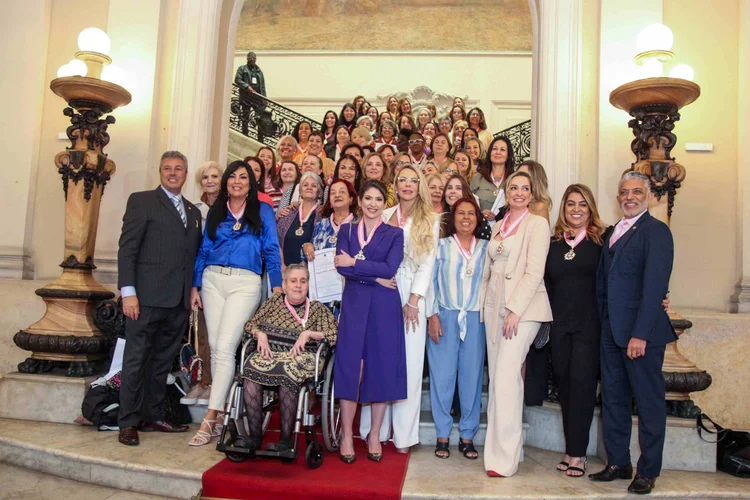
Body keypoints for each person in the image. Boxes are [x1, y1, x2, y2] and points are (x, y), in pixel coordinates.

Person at [589, 172, 677, 495]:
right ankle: (618, 462)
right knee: (613, 399)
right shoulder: (613, 232)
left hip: (642, 336)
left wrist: (640, 333)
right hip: (611, 334)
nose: (629, 196)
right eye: (624, 192)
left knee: (649, 403)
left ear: (649, 196)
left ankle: (648, 470)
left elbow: (654, 286)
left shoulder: (657, 232)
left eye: (636, 191)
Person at [188, 160, 282, 446]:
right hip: (213, 280)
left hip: (245, 282)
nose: (237, 181)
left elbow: (270, 248)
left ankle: (211, 416)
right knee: (216, 348)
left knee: (226, 348)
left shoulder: (262, 210)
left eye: (243, 177)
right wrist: (196, 284)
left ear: (251, 183)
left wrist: (277, 285)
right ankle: (218, 417)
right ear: (226, 182)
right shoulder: (217, 210)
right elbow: (204, 248)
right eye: (233, 177)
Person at [117, 151, 203, 446]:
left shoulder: (193, 212)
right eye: (167, 168)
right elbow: (127, 249)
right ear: (160, 171)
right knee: (136, 360)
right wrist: (128, 292)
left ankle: (153, 416)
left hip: (177, 301)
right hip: (145, 299)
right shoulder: (141, 201)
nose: (173, 173)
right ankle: (128, 421)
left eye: (178, 168)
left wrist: (193, 288)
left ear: (186, 173)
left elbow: (191, 257)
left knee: (162, 362)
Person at [360, 166, 438, 453]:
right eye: (402, 179)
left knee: (410, 364)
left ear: (420, 185)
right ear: (395, 184)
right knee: (380, 359)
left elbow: (427, 263)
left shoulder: (430, 218)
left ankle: (404, 436)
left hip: (411, 292)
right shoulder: (382, 213)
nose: (407, 184)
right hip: (381, 288)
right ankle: (373, 432)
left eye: (413, 180)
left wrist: (414, 300)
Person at [481, 171, 552, 477]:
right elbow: (489, 269)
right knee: (499, 380)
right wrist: (485, 307)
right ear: (506, 192)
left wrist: (514, 310)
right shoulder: (499, 224)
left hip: (522, 310)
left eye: (525, 188)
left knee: (506, 378)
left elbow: (534, 272)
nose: (519, 192)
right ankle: (513, 448)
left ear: (532, 192)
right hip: (493, 307)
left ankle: (502, 460)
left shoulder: (537, 224)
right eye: (514, 187)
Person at [334, 180, 407, 464]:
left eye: (378, 199)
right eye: (368, 198)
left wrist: (356, 264)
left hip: (383, 308)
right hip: (354, 305)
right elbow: (340, 266)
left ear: (383, 203)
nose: (373, 204)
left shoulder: (395, 233)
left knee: (380, 367)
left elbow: (391, 268)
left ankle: (375, 434)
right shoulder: (347, 230)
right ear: (360, 202)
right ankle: (346, 436)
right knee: (352, 367)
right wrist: (373, 276)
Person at [544, 184, 607, 477]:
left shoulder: (601, 242)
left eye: (582, 204)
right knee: (565, 386)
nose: (576, 209)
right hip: (559, 327)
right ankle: (570, 449)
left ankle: (579, 454)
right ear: (563, 208)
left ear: (590, 208)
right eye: (571, 204)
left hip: (588, 327)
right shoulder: (554, 243)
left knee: (582, 386)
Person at [242, 264, 337, 452]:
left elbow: (335, 334)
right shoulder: (273, 302)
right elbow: (250, 324)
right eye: (293, 281)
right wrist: (259, 333)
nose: (298, 285)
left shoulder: (318, 309)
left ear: (308, 285)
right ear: (284, 285)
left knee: (288, 371)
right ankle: (254, 438)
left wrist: (309, 333)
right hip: (270, 354)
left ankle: (285, 441)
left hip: (302, 357)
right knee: (250, 371)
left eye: (303, 281)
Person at [427, 197, 488, 460]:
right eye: (461, 213)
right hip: (445, 316)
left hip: (476, 319)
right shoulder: (440, 246)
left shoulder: (488, 248)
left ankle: (467, 435)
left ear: (478, 219)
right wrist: (432, 315)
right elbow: (429, 283)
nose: (466, 217)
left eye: (471, 213)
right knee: (442, 377)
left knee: (471, 378)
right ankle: (442, 434)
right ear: (452, 218)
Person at [180, 160, 224, 407]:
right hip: (200, 275)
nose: (210, 181)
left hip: (223, 275)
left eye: (214, 177)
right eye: (205, 177)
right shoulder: (193, 209)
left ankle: (217, 382)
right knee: (201, 332)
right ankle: (202, 381)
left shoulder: (230, 208)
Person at [302, 179, 358, 312]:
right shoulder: (321, 224)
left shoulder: (358, 225)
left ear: (351, 199)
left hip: (349, 292)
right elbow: (309, 255)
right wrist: (306, 247)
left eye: (342, 192)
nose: (337, 195)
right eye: (333, 193)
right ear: (330, 202)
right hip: (322, 294)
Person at [277, 172, 323, 267]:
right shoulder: (287, 214)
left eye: (314, 186)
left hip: (311, 273)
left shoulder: (323, 217)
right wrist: (282, 266)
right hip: (286, 272)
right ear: (300, 191)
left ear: (319, 192)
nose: (309, 188)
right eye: (305, 185)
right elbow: (276, 242)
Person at [472, 136, 515, 221]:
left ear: (508, 155)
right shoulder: (477, 177)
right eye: (494, 149)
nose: (497, 152)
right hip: (481, 227)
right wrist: (480, 214)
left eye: (502, 150)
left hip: (506, 229)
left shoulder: (513, 179)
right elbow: (468, 203)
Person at [440, 174, 492, 240]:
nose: (453, 191)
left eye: (458, 188)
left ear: (465, 192)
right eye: (449, 188)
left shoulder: (479, 219)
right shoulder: (440, 220)